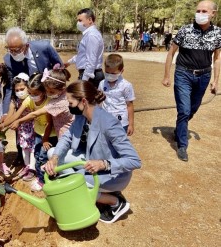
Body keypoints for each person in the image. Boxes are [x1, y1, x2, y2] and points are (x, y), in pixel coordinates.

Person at [44, 80, 141, 224]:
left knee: (74, 186)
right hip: (91, 159)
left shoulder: (109, 123)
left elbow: (134, 161)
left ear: (83, 101)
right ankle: (91, 188)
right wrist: (55, 159)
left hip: (113, 174)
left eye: (71, 103)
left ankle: (115, 201)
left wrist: (103, 164)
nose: (69, 107)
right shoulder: (81, 115)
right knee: (52, 152)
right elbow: (67, 137)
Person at [162, 0, 221, 162]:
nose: (200, 14)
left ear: (213, 14)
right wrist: (167, 75)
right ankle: (182, 146)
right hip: (183, 74)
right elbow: (171, 53)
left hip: (204, 76)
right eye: (198, 11)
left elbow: (217, 58)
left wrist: (215, 80)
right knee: (184, 110)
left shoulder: (218, 33)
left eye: (204, 11)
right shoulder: (185, 30)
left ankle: (179, 128)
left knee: (192, 109)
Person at [3, 27, 63, 166]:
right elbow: (9, 87)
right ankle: (22, 155)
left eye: (17, 50)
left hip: (48, 96)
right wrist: (6, 112)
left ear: (26, 46)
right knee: (19, 126)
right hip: (26, 99)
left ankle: (54, 156)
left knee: (50, 125)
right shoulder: (8, 60)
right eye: (10, 49)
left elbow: (59, 69)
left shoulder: (45, 48)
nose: (13, 53)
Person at [9, 67, 75, 191]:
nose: (48, 93)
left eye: (50, 91)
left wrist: (18, 121)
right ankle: (48, 179)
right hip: (55, 134)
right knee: (45, 157)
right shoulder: (58, 96)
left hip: (62, 135)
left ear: (61, 88)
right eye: (47, 90)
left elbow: (36, 115)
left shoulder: (59, 102)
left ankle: (43, 181)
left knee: (45, 158)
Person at [0, 73, 58, 191]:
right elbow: (16, 115)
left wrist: (45, 139)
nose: (32, 96)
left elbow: (49, 123)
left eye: (35, 94)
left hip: (49, 134)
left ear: (43, 91)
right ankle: (40, 176)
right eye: (31, 93)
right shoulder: (28, 100)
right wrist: (2, 126)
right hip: (38, 131)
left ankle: (43, 181)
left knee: (43, 157)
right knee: (38, 155)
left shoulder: (48, 102)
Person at [5, 73, 36, 181]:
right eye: (17, 90)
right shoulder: (14, 100)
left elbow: (32, 114)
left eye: (22, 88)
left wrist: (4, 125)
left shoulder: (32, 99)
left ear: (28, 87)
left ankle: (32, 169)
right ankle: (26, 166)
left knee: (32, 148)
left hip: (32, 126)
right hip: (21, 128)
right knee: (24, 147)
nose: (19, 92)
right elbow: (10, 114)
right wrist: (3, 124)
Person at [65, 8, 105, 88]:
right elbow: (83, 55)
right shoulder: (88, 35)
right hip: (88, 75)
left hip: (90, 75)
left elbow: (91, 59)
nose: (78, 23)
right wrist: (69, 62)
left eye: (80, 20)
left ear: (90, 20)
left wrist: (84, 80)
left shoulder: (91, 35)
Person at [98, 54, 135, 135]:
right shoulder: (102, 84)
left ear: (121, 71)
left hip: (121, 123)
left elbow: (129, 105)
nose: (110, 75)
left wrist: (131, 124)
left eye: (113, 73)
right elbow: (99, 103)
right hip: (105, 121)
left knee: (119, 146)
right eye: (107, 72)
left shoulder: (126, 86)